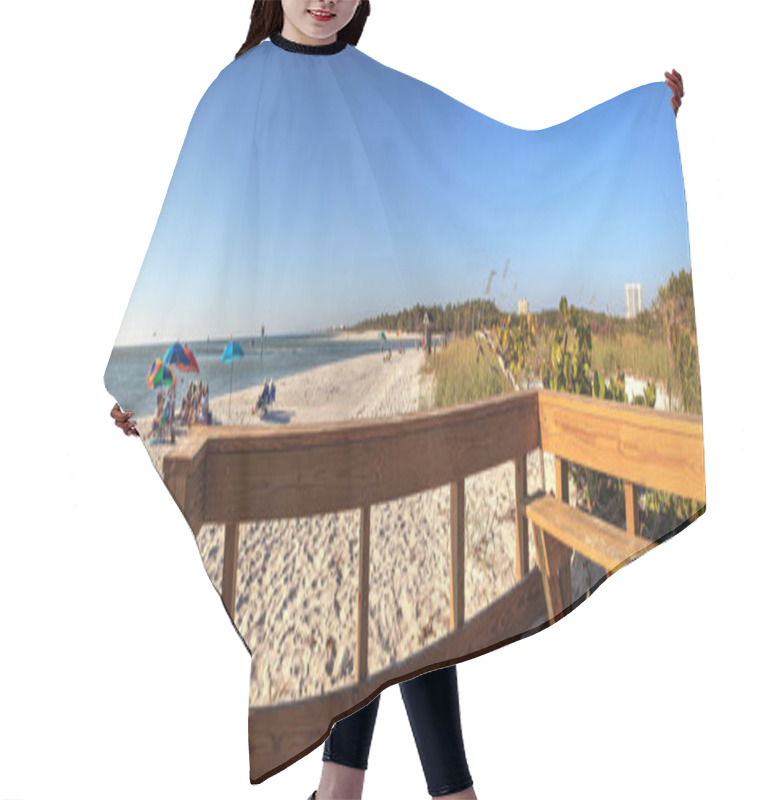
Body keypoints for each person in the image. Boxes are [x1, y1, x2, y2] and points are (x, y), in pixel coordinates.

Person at [110, 2, 685, 797]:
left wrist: (637, 124)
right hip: (318, 423)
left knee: (403, 592)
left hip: (385, 419)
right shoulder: (235, 93)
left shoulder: (379, 90)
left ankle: (355, 789)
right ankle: (420, 790)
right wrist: (142, 388)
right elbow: (196, 245)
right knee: (392, 596)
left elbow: (494, 169)